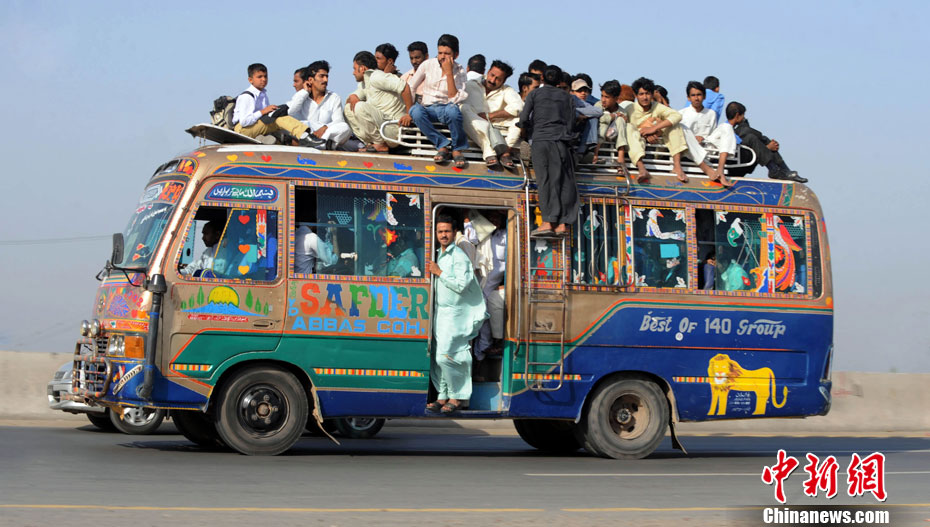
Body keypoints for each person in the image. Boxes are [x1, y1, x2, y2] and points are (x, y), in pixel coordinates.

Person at [426, 215, 488, 414]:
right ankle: (442, 396)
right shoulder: (439, 253)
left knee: (448, 357)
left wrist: (439, 272)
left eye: (447, 231)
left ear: (454, 233)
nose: (443, 235)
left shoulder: (458, 256)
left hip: (455, 314)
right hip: (441, 313)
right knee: (438, 357)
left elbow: (462, 285)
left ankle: (457, 396)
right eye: (440, 231)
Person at [517, 65, 578, 238]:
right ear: (560, 81)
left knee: (545, 181)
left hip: (542, 142)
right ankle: (562, 225)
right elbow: (571, 122)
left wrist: (526, 131)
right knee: (563, 182)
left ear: (542, 78)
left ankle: (547, 222)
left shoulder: (535, 94)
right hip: (562, 142)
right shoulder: (567, 98)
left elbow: (523, 118)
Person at [406, 34, 470, 169]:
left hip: (447, 108)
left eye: (447, 54)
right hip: (428, 107)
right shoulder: (428, 65)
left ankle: (457, 149)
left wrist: (448, 73)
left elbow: (454, 98)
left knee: (454, 112)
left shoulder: (459, 70)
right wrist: (408, 111)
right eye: (440, 53)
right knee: (415, 111)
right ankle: (442, 145)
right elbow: (410, 86)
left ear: (456, 55)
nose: (442, 57)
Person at [232, 63, 322, 147]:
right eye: (259, 77)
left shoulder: (263, 95)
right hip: (242, 130)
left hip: (255, 127)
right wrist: (263, 111)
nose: (263, 79)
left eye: (265, 76)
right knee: (278, 120)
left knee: (280, 123)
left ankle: (289, 142)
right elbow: (244, 122)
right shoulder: (247, 96)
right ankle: (305, 137)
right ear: (250, 80)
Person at [344, 51, 414, 152]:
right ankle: (373, 144)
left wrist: (409, 114)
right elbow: (352, 97)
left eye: (355, 69)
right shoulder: (366, 82)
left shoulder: (377, 77)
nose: (353, 73)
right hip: (382, 127)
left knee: (359, 107)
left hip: (394, 128)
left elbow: (405, 87)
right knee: (348, 109)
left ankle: (379, 144)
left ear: (362, 68)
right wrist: (353, 96)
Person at [626, 76, 689, 183]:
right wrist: (644, 132)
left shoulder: (657, 106)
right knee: (628, 128)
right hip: (637, 149)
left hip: (658, 149)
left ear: (652, 94)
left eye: (647, 93)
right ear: (636, 96)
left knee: (675, 126)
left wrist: (654, 128)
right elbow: (626, 128)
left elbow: (677, 115)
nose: (645, 97)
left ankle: (677, 166)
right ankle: (642, 169)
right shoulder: (629, 109)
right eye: (641, 94)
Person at [461, 60, 522, 167]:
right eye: (492, 75)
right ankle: (491, 152)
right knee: (463, 108)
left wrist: (490, 116)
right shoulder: (470, 85)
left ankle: (505, 151)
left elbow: (519, 107)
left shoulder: (506, 90)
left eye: (498, 79)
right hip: (475, 127)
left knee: (518, 120)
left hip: (497, 127)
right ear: (488, 72)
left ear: (504, 81)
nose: (493, 80)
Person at [465, 210, 507, 365]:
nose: (494, 220)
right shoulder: (479, 233)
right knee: (477, 315)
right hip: (478, 282)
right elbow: (470, 239)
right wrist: (468, 219)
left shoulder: (505, 235)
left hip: (494, 285)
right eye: (491, 217)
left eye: (497, 217)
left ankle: (481, 353)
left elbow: (514, 263)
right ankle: (480, 353)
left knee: (483, 314)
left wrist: (505, 284)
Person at [730, 102, 807, 183]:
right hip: (736, 163)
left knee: (762, 138)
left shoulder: (735, 129)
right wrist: (767, 148)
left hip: (743, 156)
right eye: (743, 116)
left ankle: (784, 170)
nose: (743, 118)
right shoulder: (726, 128)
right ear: (737, 115)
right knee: (752, 137)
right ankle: (775, 170)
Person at [286, 60, 351, 150]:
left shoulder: (334, 97)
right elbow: (290, 111)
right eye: (322, 76)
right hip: (306, 135)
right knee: (284, 121)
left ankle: (321, 144)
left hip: (325, 135)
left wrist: (324, 128)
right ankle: (316, 144)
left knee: (345, 127)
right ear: (310, 80)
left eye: (327, 76)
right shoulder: (301, 96)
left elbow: (339, 120)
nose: (325, 80)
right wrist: (304, 92)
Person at [679, 81, 734, 186]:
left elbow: (712, 134)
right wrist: (693, 138)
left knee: (726, 127)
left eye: (699, 95)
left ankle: (720, 170)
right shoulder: (681, 114)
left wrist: (703, 138)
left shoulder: (711, 114)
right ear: (688, 98)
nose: (696, 98)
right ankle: (706, 169)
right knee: (681, 129)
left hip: (707, 149)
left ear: (704, 96)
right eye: (693, 95)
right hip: (689, 152)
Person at [594, 80, 631, 175]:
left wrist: (622, 119)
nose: (603, 99)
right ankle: (595, 154)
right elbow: (600, 119)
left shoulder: (622, 111)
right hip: (600, 141)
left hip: (614, 141)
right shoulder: (598, 105)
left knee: (621, 119)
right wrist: (612, 116)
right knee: (605, 117)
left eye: (607, 97)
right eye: (602, 96)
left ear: (616, 98)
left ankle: (621, 159)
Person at [570, 78, 604, 162]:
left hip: (580, 136)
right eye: (579, 91)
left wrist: (583, 115)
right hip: (569, 134)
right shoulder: (571, 100)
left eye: (585, 91)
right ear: (572, 92)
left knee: (593, 119)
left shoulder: (585, 104)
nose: (583, 93)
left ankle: (583, 152)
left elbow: (598, 111)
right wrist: (577, 114)